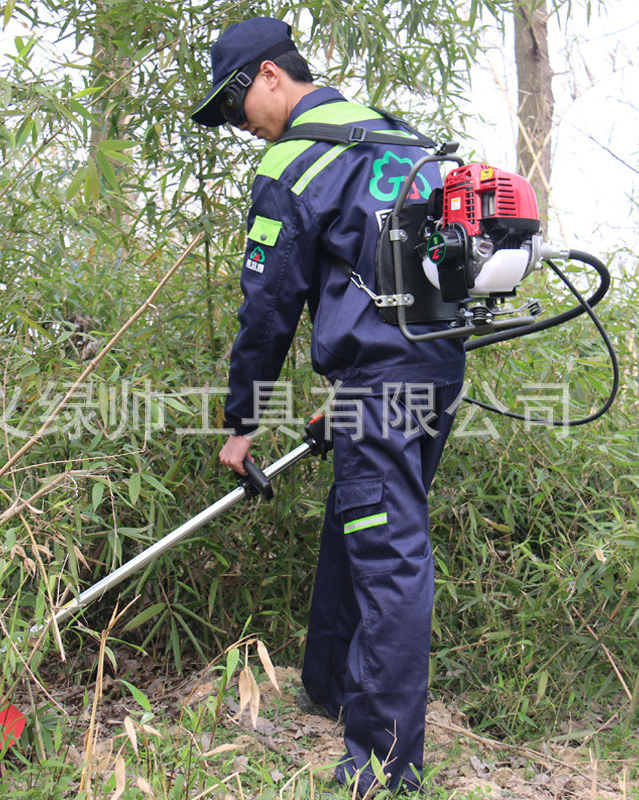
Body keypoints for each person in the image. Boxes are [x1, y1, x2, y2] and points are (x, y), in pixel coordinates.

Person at [190, 17, 466, 795]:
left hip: (383, 382)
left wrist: (242, 421)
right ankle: (330, 685)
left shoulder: (298, 160)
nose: (241, 125)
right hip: (433, 372)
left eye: (238, 104)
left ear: (272, 76)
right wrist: (350, 402)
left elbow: (269, 307)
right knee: (367, 519)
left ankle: (380, 767)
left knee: (390, 557)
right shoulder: (399, 139)